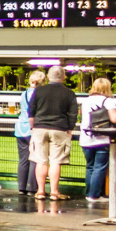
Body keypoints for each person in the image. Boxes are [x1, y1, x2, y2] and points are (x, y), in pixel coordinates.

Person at [29, 67, 78, 200]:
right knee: (55, 161)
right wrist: (70, 128)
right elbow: (73, 113)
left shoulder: (38, 90)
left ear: (48, 77)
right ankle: (54, 192)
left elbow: (31, 111)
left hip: (39, 128)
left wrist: (33, 127)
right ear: (63, 78)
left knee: (41, 161)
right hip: (60, 129)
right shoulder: (69, 93)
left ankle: (40, 191)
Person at [79, 78, 116, 203]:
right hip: (101, 138)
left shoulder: (86, 101)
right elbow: (114, 119)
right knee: (99, 167)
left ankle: (89, 193)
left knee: (90, 166)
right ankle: (94, 195)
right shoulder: (108, 101)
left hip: (86, 137)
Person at [15, 70, 43, 195]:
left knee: (23, 159)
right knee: (34, 158)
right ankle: (32, 187)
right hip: (34, 128)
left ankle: (22, 186)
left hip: (21, 128)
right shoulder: (40, 94)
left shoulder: (24, 94)